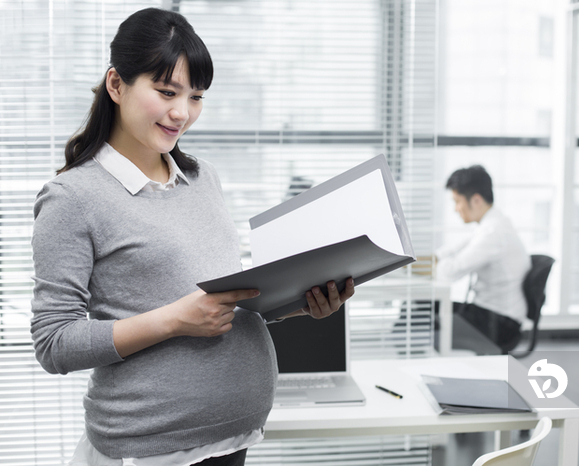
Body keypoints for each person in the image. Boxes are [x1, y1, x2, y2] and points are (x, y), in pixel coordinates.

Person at [29, 8, 353, 466]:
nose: (182, 113)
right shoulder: (72, 197)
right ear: (117, 85)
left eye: (196, 97)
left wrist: (296, 302)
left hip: (233, 440)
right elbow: (54, 343)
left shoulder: (202, 178)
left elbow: (220, 302)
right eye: (166, 92)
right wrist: (174, 320)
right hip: (151, 451)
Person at [436, 165, 530, 353]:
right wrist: (436, 259)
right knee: (420, 308)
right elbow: (449, 253)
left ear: (476, 200)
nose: (456, 209)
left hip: (500, 325)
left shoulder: (494, 232)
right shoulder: (490, 225)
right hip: (489, 314)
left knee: (421, 319)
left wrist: (437, 263)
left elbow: (449, 273)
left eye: (457, 201)